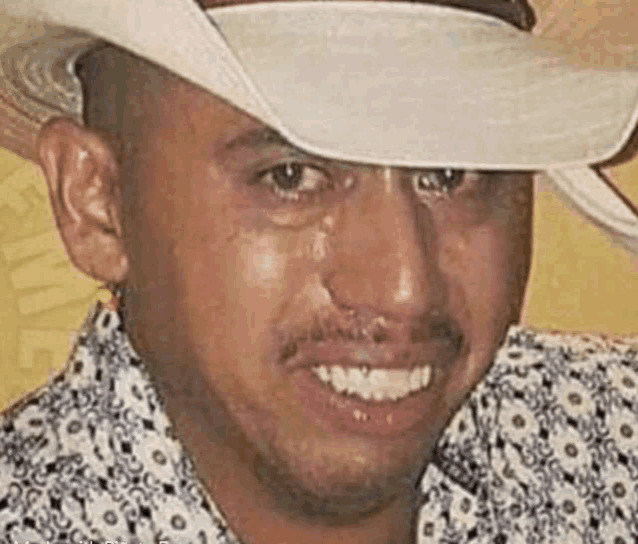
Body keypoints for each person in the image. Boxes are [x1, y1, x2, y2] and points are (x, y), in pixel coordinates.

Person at [0, 0, 637, 542]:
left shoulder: (613, 437)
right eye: (291, 176)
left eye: (450, 175)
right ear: (99, 205)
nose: (404, 288)